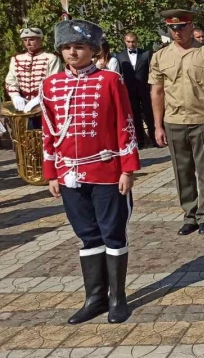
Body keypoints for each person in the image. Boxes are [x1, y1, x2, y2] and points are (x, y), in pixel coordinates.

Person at [40, 18, 139, 324]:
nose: (72, 52)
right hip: (69, 173)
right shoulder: (50, 85)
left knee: (112, 232)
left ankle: (117, 298)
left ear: (93, 50)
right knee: (87, 235)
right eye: (67, 47)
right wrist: (51, 173)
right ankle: (94, 297)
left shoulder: (110, 80)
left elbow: (125, 123)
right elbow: (49, 131)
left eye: (79, 47)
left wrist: (128, 169)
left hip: (106, 169)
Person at [150, 9, 204, 236]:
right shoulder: (160, 57)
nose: (177, 32)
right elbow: (157, 92)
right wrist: (157, 126)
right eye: (172, 28)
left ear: (191, 26)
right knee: (182, 171)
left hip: (202, 120)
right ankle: (190, 215)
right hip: (173, 121)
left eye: (181, 27)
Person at [5, 27, 62, 117]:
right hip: (22, 106)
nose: (28, 43)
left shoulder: (51, 58)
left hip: (45, 105)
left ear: (40, 40)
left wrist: (39, 98)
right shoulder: (16, 59)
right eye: (25, 40)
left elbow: (54, 82)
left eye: (31, 39)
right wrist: (15, 96)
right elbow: (11, 81)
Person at [115, 32, 155, 148]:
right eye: (128, 42)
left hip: (144, 89)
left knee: (149, 114)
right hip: (129, 90)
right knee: (134, 115)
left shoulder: (146, 54)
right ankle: (140, 140)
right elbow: (119, 74)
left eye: (133, 42)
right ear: (124, 41)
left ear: (137, 41)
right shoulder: (120, 56)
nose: (131, 44)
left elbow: (151, 71)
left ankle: (154, 138)